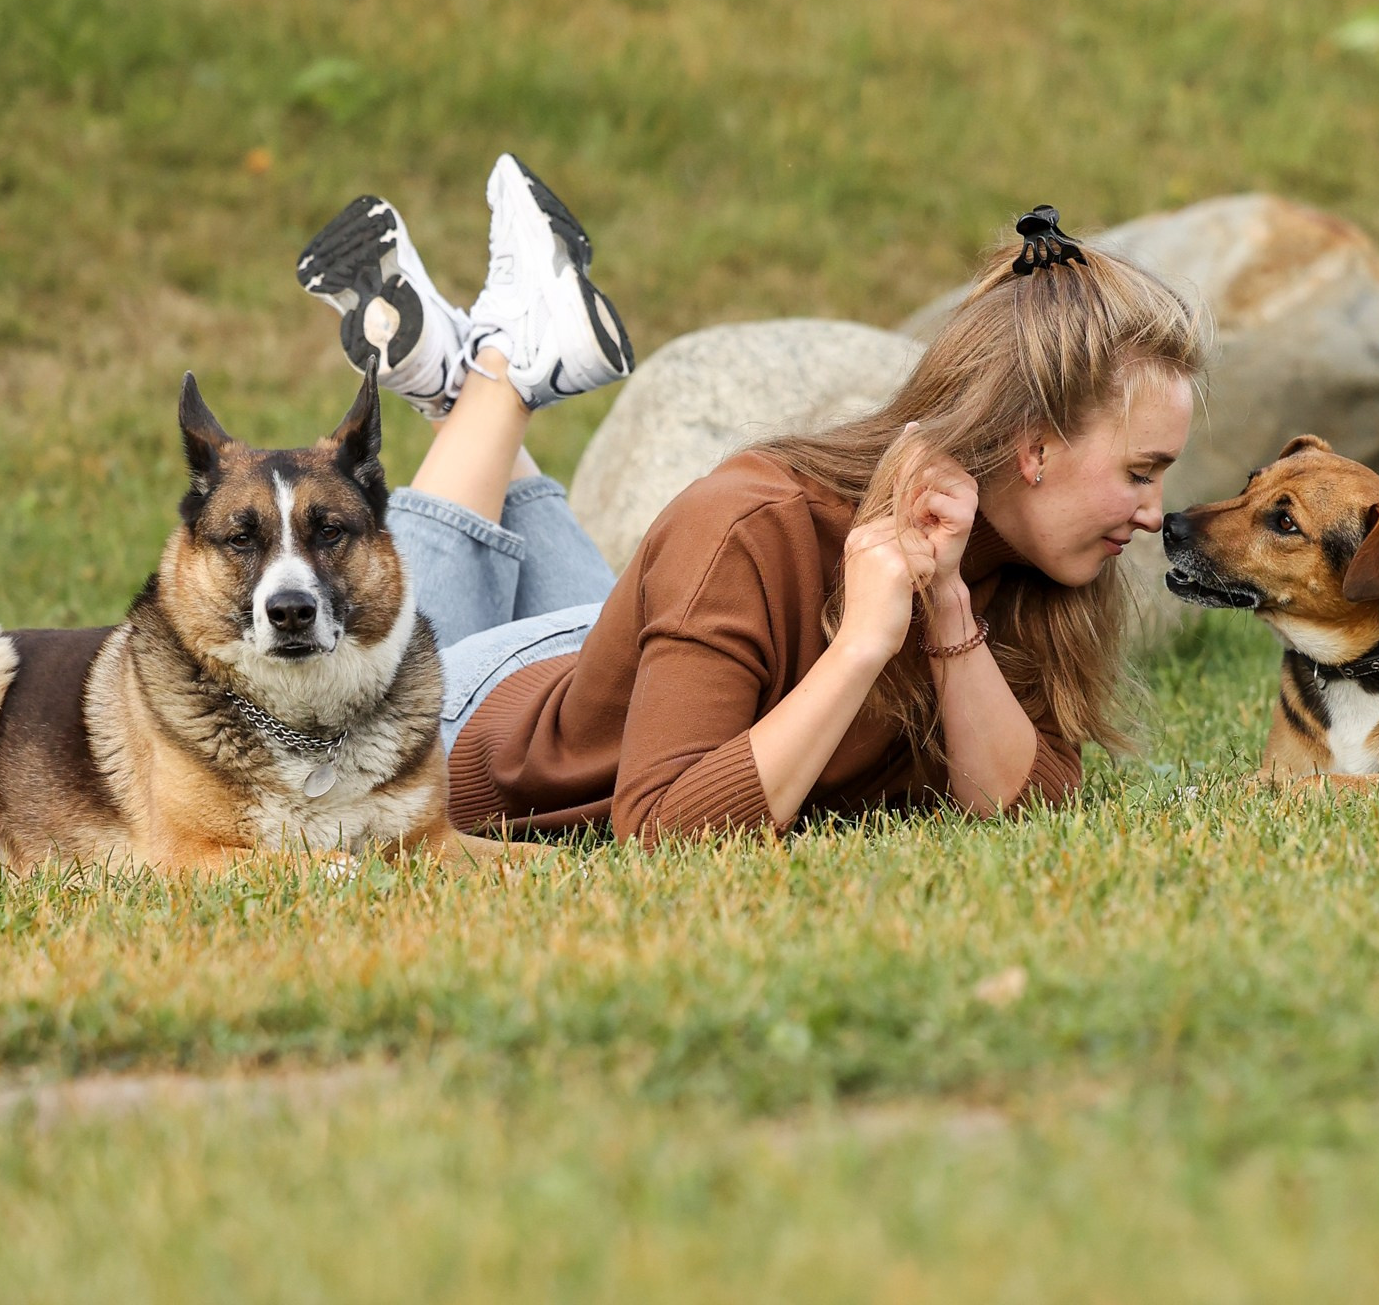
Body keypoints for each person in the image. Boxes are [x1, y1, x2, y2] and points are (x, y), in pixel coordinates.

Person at [298, 162, 1204, 845]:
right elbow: (663, 830)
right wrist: (859, 646)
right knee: (334, 710)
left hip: (623, 661)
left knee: (610, 631)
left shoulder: (1024, 576)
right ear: (1035, 448)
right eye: (1139, 471)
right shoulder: (750, 524)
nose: (1157, 511)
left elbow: (1032, 808)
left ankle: (465, 379)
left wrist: (948, 611)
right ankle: (499, 377)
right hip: (471, 720)